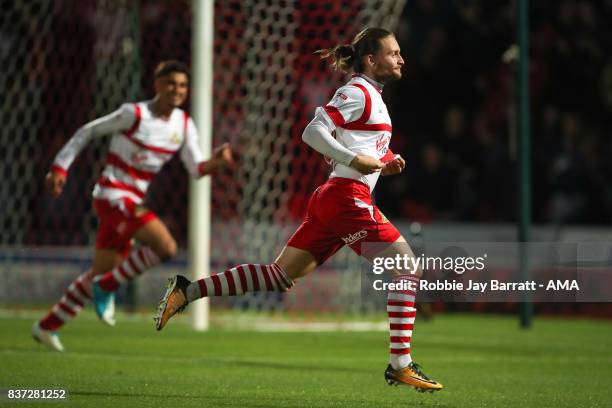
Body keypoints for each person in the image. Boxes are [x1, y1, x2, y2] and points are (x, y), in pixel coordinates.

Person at [155, 29, 443, 392]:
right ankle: (400, 364)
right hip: (346, 197)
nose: (401, 59)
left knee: (279, 276)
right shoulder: (357, 91)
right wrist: (354, 158)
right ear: (371, 60)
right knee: (406, 267)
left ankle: (187, 291)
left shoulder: (374, 97)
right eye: (394, 52)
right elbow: (313, 131)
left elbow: (350, 142)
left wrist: (383, 161)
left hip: (335, 196)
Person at [32, 60, 233, 352]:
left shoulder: (184, 124)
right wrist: (60, 168)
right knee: (166, 246)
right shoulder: (134, 114)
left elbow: (196, 168)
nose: (176, 90)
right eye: (171, 84)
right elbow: (88, 131)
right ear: (157, 85)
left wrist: (215, 162)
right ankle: (109, 286)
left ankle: (48, 326)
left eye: (182, 86)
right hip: (112, 195)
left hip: (131, 201)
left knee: (101, 272)